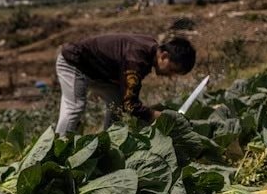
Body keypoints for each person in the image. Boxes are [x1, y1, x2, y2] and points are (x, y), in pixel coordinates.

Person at [55, 33, 196, 136]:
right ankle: (56, 152)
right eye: (172, 70)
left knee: (117, 102)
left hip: (96, 71)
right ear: (164, 56)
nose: (170, 76)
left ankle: (108, 140)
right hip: (74, 63)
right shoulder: (136, 59)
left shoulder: (150, 50)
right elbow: (131, 105)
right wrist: (163, 117)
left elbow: (127, 99)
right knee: (75, 106)